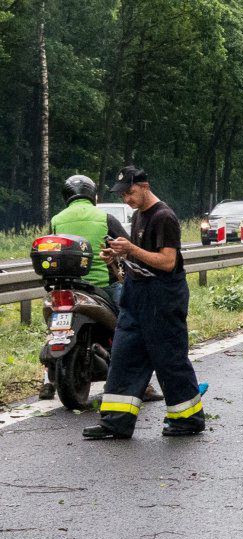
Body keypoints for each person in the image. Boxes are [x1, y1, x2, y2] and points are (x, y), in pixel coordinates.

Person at [83, 166, 205, 440]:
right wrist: (116, 256)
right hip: (136, 297)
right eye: (123, 194)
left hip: (162, 299)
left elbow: (167, 261)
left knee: (169, 359)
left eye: (130, 192)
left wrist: (132, 249)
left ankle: (188, 419)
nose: (127, 198)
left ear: (145, 185)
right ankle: (115, 422)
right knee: (124, 356)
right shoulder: (139, 216)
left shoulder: (164, 217)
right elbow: (138, 259)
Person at [38, 175, 129, 400]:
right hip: (101, 285)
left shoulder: (57, 219)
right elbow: (128, 246)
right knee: (129, 326)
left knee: (54, 330)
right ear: (92, 195)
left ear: (66, 196)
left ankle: (46, 380)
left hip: (64, 286)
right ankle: (139, 382)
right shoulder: (105, 217)